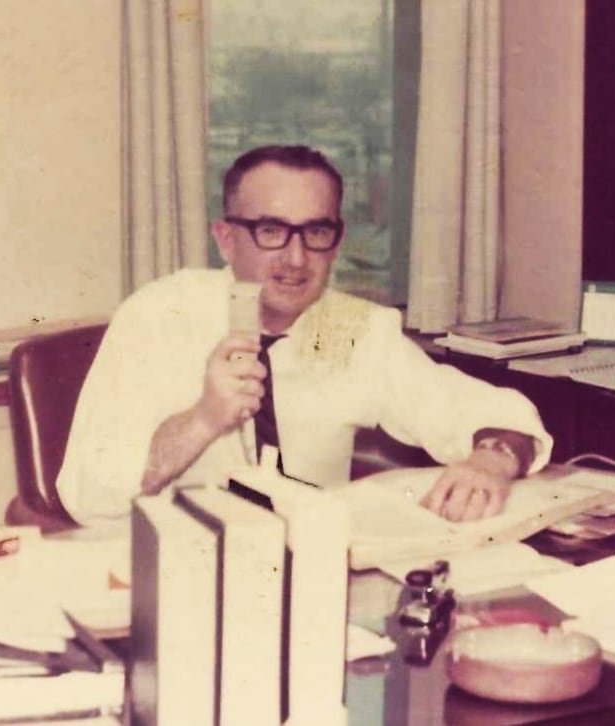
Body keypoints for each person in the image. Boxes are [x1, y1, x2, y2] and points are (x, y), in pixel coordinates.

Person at [57, 145, 552, 525]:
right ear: (226, 239)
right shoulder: (159, 316)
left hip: (312, 571)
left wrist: (492, 460)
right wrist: (203, 420)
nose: (296, 259)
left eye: (315, 233)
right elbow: (86, 494)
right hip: (171, 575)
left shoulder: (348, 327)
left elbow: (484, 411)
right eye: (271, 231)